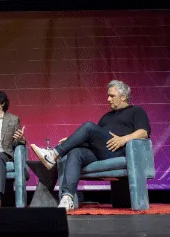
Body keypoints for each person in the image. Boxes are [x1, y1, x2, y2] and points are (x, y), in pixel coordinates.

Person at [29, 80, 153, 210]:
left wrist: (123, 139)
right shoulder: (106, 117)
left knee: (88, 126)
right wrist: (72, 140)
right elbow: (93, 138)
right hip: (101, 152)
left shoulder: (136, 111)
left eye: (112, 96)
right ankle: (67, 198)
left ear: (123, 97)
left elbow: (143, 132)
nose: (108, 99)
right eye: (108, 95)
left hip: (118, 150)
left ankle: (53, 154)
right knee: (75, 151)